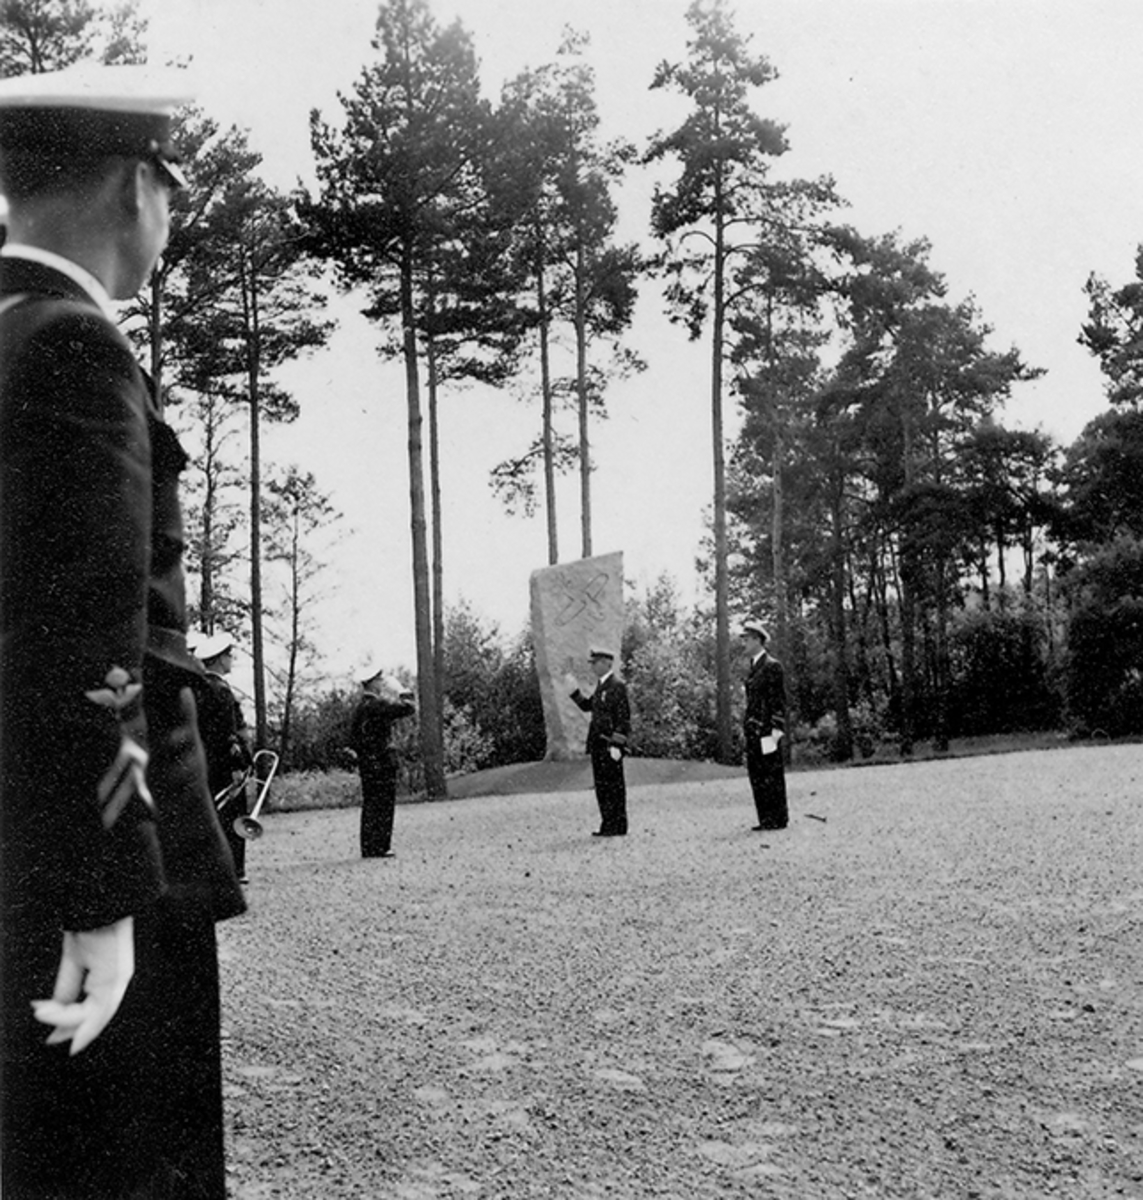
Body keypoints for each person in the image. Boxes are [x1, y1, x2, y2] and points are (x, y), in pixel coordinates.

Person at [0, 65, 246, 1198]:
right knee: (130, 1166)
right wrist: (103, 897)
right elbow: (86, 642)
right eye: (171, 191)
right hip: (99, 863)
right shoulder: (75, 347)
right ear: (136, 187)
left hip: (19, 835)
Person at [192, 632, 253, 884]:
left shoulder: (199, 688)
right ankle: (235, 870)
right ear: (218, 659)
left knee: (214, 816)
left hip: (206, 762)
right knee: (234, 816)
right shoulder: (221, 690)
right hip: (224, 765)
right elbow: (229, 735)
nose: (231, 659)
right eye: (229, 655)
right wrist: (237, 766)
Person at [350, 665, 416, 858]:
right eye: (379, 679)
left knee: (370, 804)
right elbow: (408, 708)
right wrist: (401, 690)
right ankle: (381, 845)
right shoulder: (377, 705)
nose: (382, 682)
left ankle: (369, 846)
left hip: (367, 762)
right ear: (373, 683)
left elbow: (353, 739)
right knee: (384, 804)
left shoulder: (360, 708)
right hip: (382, 760)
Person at [566, 647, 631, 837]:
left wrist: (617, 744)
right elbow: (589, 706)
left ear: (606, 663)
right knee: (602, 786)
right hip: (598, 743)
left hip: (609, 743)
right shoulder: (602, 686)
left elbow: (623, 717)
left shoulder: (616, 686)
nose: (592, 667)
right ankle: (608, 824)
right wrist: (574, 693)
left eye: (595, 663)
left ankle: (618, 825)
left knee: (614, 786)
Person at [741, 619, 789, 831]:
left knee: (771, 773)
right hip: (754, 730)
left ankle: (778, 818)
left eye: (747, 639)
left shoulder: (772, 666)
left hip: (767, 729)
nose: (744, 643)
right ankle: (766, 818)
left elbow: (778, 700)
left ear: (757, 640)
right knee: (758, 774)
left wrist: (776, 728)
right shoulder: (755, 667)